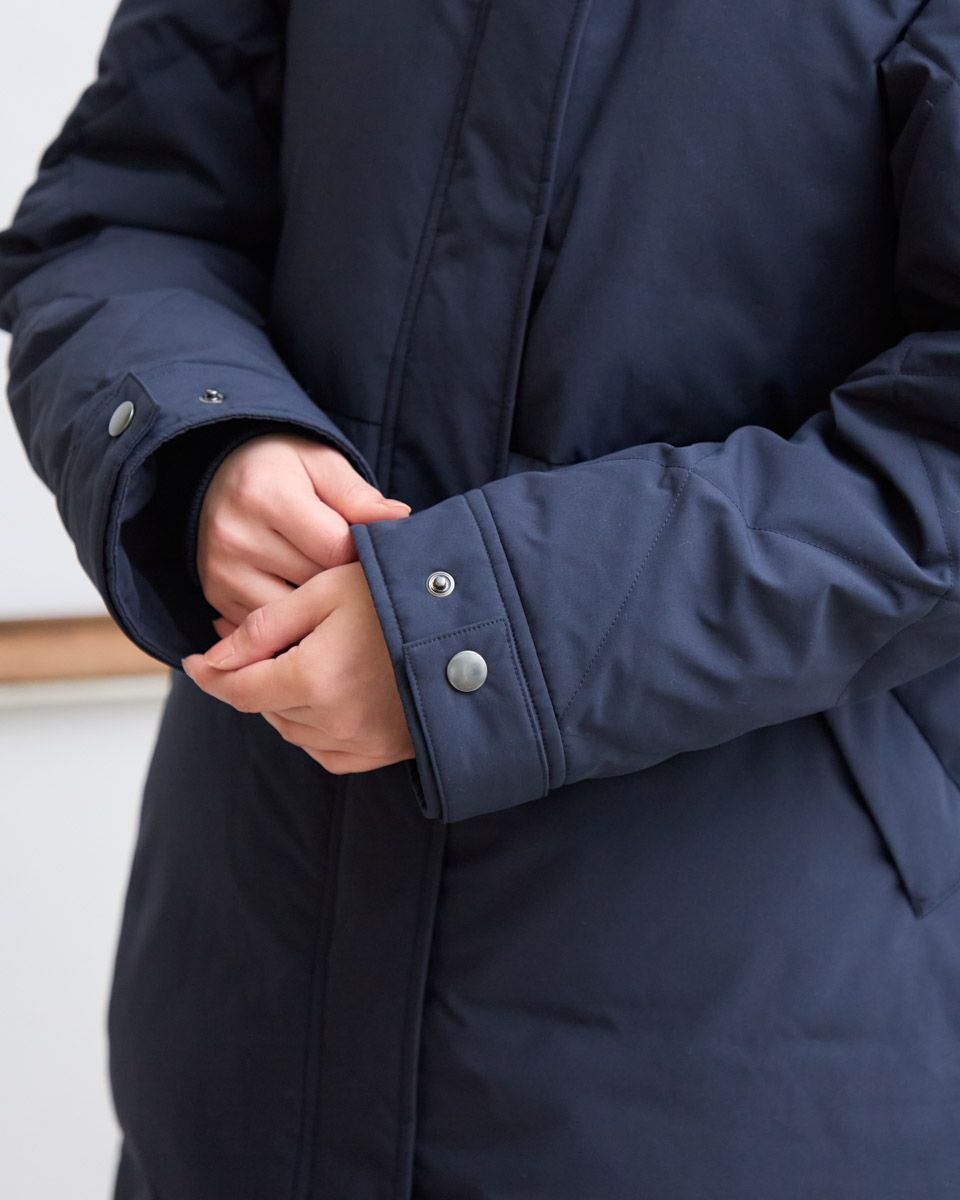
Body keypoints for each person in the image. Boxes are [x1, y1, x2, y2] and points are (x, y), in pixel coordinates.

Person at [2, 0, 959, 1196]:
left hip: (736, 1067)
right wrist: (207, 442)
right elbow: (127, 207)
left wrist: (484, 636)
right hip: (246, 1030)